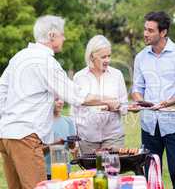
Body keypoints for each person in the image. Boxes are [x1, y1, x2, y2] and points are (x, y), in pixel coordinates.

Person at [0, 15, 119, 189]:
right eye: (62, 34)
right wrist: (107, 101)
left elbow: (1, 91)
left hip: (7, 135)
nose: (64, 38)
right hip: (25, 136)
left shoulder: (19, 56)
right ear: (51, 36)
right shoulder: (45, 61)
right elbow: (75, 95)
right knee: (38, 187)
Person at [131, 11, 175, 189]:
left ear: (163, 32)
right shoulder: (141, 57)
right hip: (149, 124)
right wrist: (140, 101)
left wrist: (171, 102)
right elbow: (137, 88)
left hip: (174, 122)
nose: (145, 34)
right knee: (150, 175)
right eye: (145, 29)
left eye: (150, 30)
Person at [71, 35, 128, 154]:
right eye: (103, 57)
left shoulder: (117, 75)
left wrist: (116, 107)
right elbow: (74, 112)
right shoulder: (79, 77)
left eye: (109, 56)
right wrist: (75, 140)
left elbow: (125, 107)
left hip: (113, 136)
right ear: (92, 56)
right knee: (91, 172)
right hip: (87, 138)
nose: (107, 60)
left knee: (111, 171)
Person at [44, 99, 77, 180]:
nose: (61, 102)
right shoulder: (43, 122)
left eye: (62, 99)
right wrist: (55, 144)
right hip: (47, 171)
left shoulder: (68, 121)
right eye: (56, 99)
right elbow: (38, 150)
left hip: (65, 169)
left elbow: (72, 147)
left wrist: (71, 142)